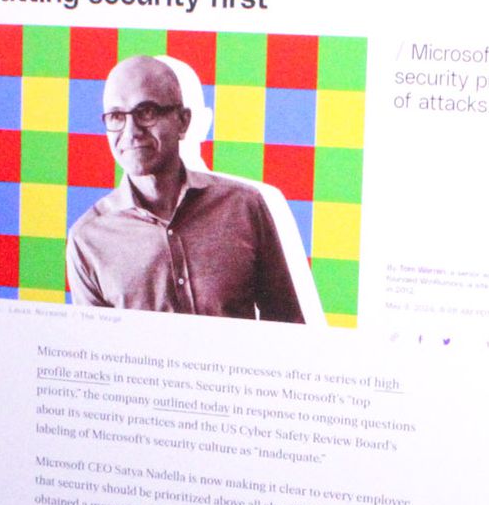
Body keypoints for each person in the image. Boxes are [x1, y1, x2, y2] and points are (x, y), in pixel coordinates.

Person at [65, 55, 309, 321]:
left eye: (146, 112)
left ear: (183, 121)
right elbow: (97, 353)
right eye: (115, 116)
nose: (131, 131)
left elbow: (288, 330)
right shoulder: (87, 239)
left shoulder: (245, 206)